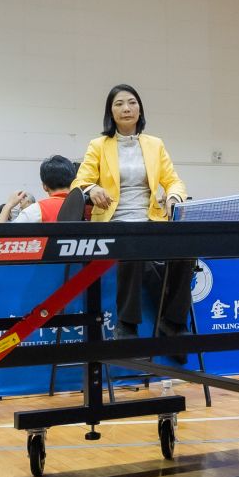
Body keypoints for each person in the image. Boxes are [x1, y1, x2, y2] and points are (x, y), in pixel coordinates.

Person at [73, 84, 191, 344]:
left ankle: (173, 321)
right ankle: (127, 324)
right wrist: (92, 189)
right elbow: (79, 182)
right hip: (115, 222)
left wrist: (173, 197)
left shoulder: (155, 145)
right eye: (119, 104)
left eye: (132, 102)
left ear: (140, 109)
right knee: (133, 251)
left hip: (151, 221)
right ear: (111, 112)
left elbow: (174, 181)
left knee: (186, 253)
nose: (126, 108)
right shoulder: (99, 145)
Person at [4, 156, 78, 223]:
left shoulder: (35, 211)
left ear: (44, 186)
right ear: (74, 182)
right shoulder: (83, 209)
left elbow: (1, 232)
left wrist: (8, 205)